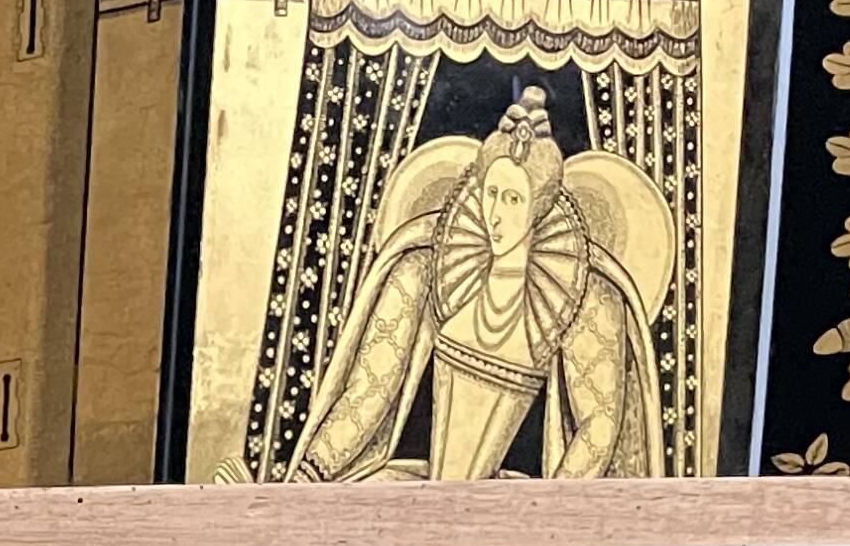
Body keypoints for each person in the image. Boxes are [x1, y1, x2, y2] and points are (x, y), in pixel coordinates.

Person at [287, 86, 672, 482]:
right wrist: (308, 478)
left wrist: (546, 516)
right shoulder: (426, 265)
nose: (496, 214)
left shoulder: (580, 293)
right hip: (416, 490)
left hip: (512, 509)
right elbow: (369, 391)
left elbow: (599, 427)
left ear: (539, 206)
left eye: (513, 199)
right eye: (491, 193)